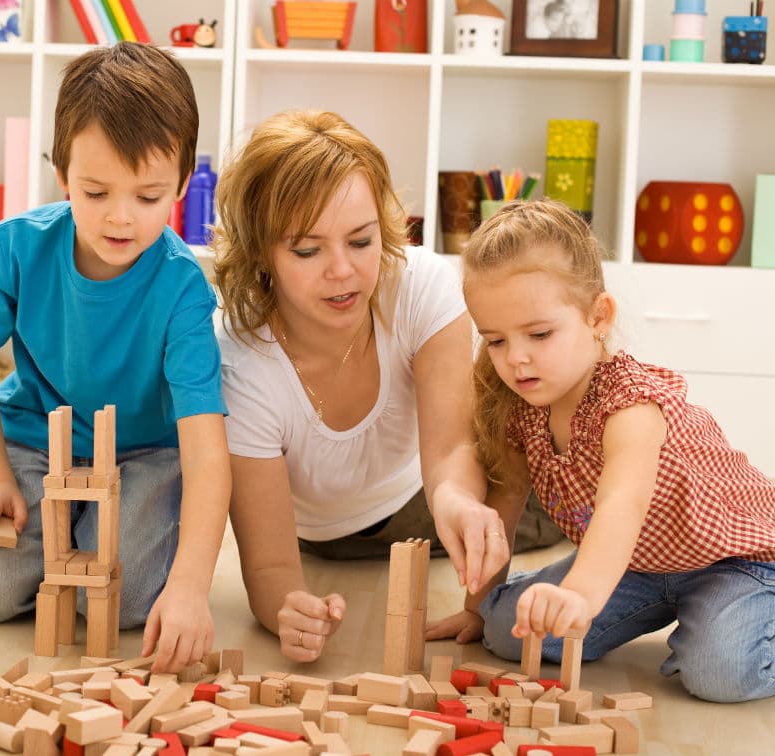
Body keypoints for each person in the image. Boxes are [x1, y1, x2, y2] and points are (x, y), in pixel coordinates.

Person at [211, 109, 560, 663]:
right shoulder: (239, 358)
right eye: (307, 250)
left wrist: (460, 505)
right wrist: (288, 608)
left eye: (361, 241)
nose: (342, 271)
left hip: (428, 496)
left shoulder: (420, 285)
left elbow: (451, 451)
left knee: (575, 486)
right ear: (261, 254)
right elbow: (270, 567)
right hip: (323, 537)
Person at [0, 43, 230, 673]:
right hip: (36, 438)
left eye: (149, 198)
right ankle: (54, 529)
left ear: (183, 184)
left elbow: (207, 451)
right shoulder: (14, 247)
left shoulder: (183, 288)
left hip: (145, 452)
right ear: (62, 173)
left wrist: (189, 589)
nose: (120, 218)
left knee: (132, 603)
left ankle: (77, 532)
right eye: (96, 192)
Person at [433, 199, 775, 702]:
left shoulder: (631, 404)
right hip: (636, 568)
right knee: (506, 630)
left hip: (734, 560)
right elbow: (501, 510)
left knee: (717, 672)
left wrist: (578, 595)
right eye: (496, 341)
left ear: (598, 316)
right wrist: (475, 607)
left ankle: (736, 618)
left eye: (539, 334)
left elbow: (623, 505)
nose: (517, 358)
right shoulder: (521, 405)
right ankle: (670, 612)